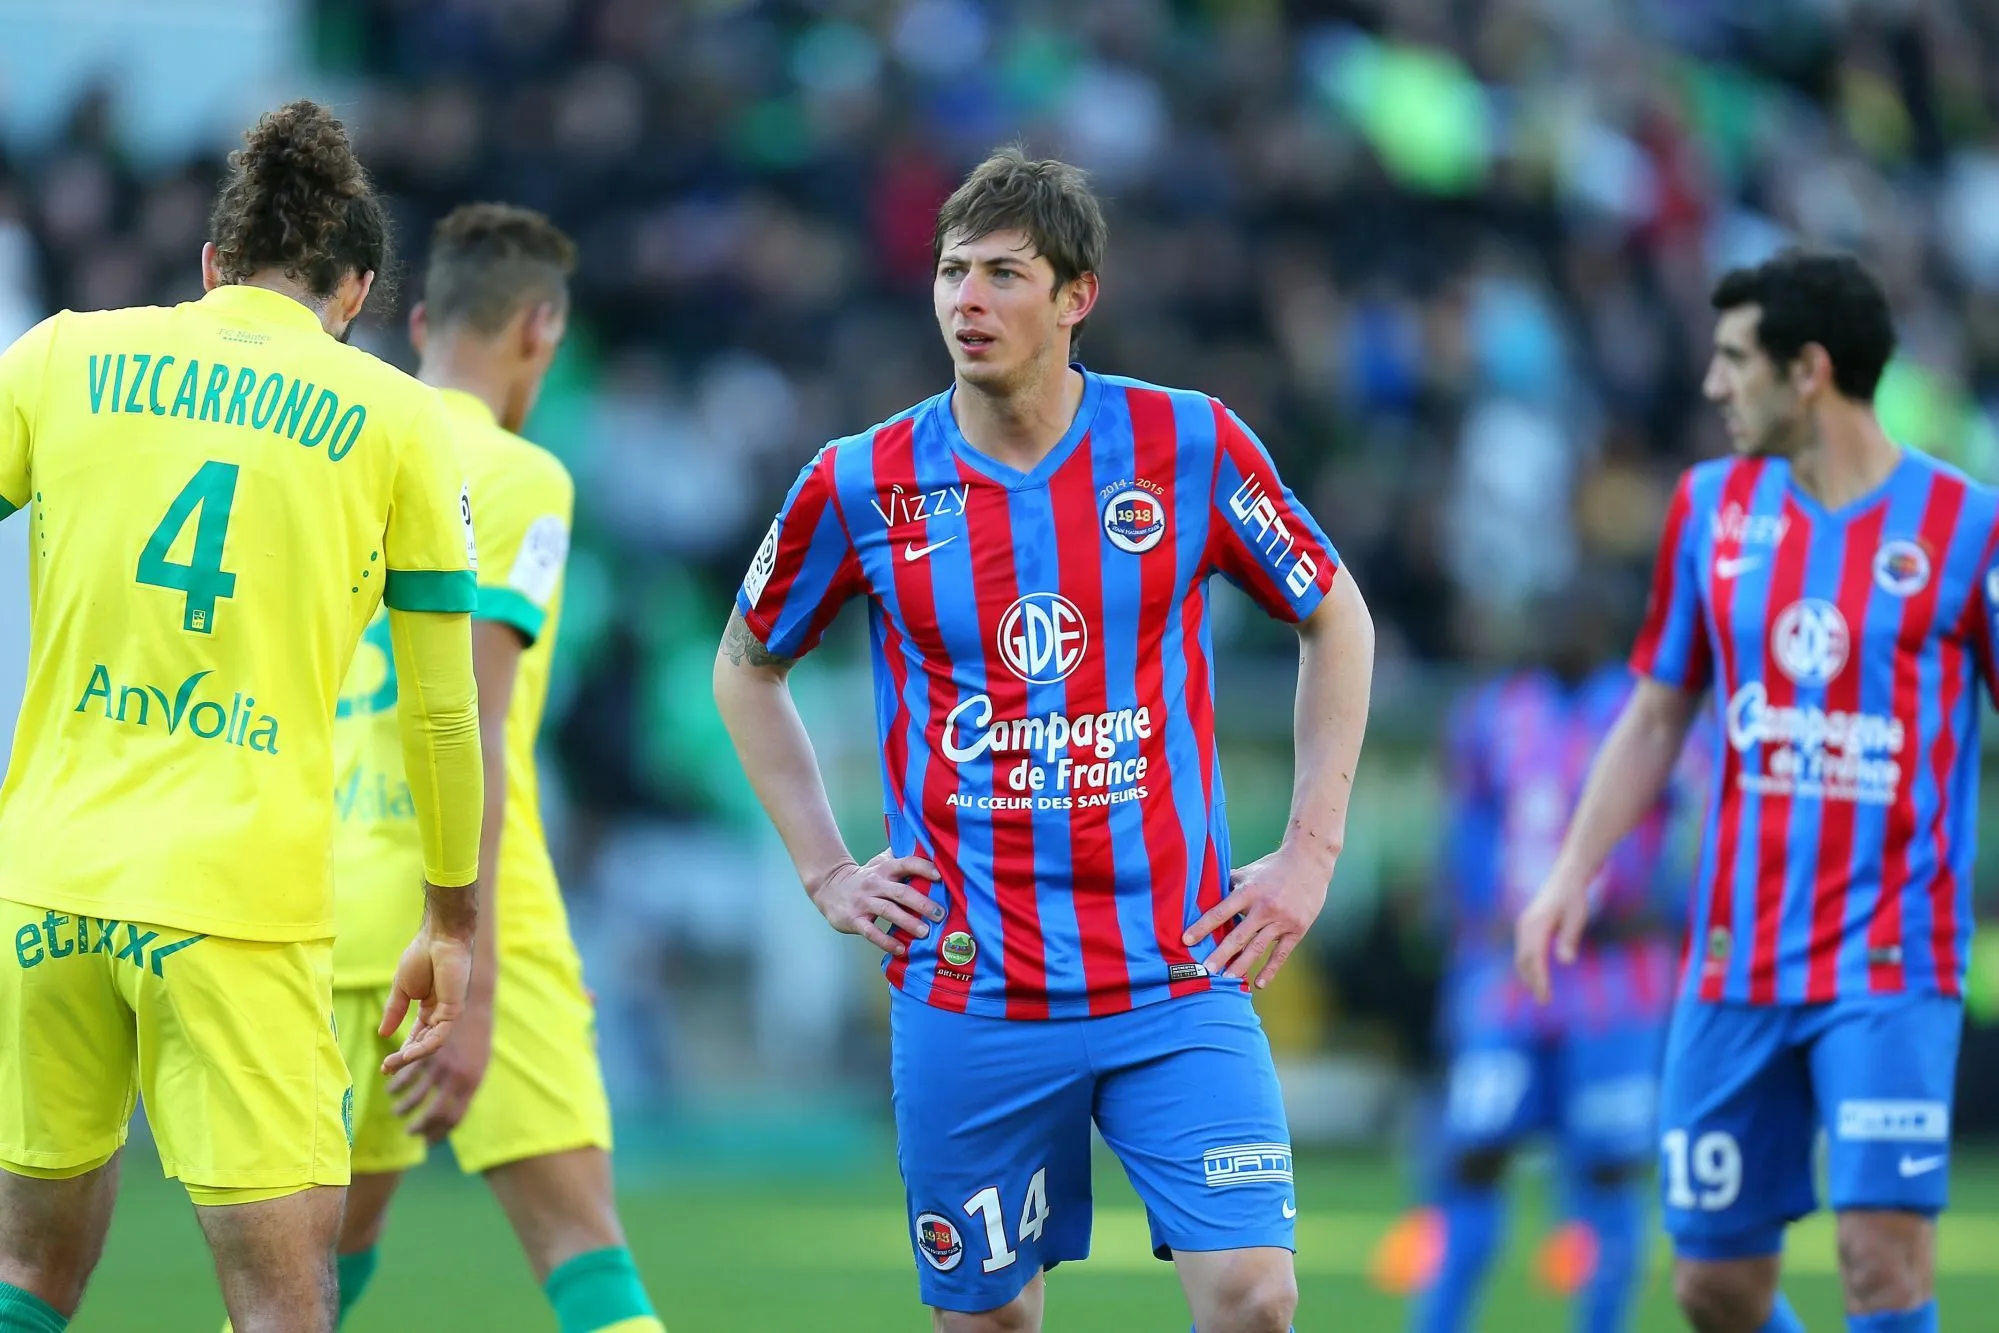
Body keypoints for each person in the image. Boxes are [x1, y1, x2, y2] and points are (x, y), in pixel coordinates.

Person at [713, 147, 1375, 1333]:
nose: (965, 299)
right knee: (990, 1324)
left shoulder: (1191, 447)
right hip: (971, 990)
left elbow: (1336, 612)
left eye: (1002, 274)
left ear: (1076, 298)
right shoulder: (860, 482)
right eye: (951, 271)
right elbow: (746, 664)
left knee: (1256, 1297)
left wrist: (1308, 853)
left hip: (1177, 973)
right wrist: (825, 867)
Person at [0, 100, 483, 1333]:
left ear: (210, 264)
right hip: (235, 902)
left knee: (25, 1277)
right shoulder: (398, 420)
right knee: (282, 1298)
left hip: (46, 879)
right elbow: (440, 710)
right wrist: (450, 914)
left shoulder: (57, 356)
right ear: (358, 290)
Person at [1517, 248, 1999, 1333]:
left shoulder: (1967, 530)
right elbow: (1653, 715)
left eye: (1734, 358)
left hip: (1890, 961)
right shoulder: (1708, 510)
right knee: (1714, 1284)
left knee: (1880, 1261)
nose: (1712, 385)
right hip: (1735, 960)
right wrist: (1571, 873)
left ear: (1807, 370)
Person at [315, 204, 665, 1333]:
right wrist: (481, 977)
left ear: (418, 320)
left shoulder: (337, 455)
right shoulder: (519, 475)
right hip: (460, 907)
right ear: (540, 328)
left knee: (305, 1271)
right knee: (584, 1253)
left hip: (318, 903)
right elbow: (463, 711)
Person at [1399, 585, 1695, 1333]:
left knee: (1606, 1168)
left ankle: (1601, 1322)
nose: (1560, 622)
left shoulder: (1645, 712)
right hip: (1505, 978)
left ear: (1605, 624)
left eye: (1576, 608)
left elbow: (1696, 824)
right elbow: (1465, 825)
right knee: (1469, 1153)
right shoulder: (1491, 714)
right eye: (1549, 609)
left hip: (1615, 979)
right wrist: (1469, 924)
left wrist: (1659, 901)